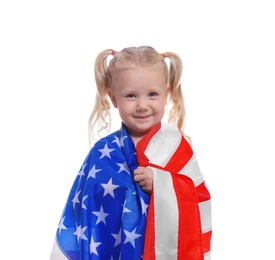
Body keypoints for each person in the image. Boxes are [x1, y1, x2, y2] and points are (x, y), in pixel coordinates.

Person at [50, 46, 212, 260]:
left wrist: (161, 183)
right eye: (131, 96)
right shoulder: (101, 153)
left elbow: (199, 199)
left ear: (167, 95)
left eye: (152, 94)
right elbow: (82, 212)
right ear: (114, 98)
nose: (142, 105)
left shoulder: (176, 147)